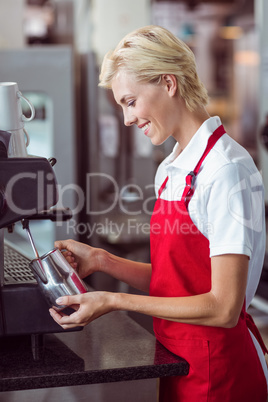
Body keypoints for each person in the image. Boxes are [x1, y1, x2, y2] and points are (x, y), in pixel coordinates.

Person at [49, 25, 268, 401]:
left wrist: (113, 300)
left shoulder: (226, 169)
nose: (127, 119)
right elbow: (177, 284)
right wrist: (102, 261)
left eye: (131, 102)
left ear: (168, 83)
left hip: (220, 372)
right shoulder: (172, 167)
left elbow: (223, 307)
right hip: (179, 361)